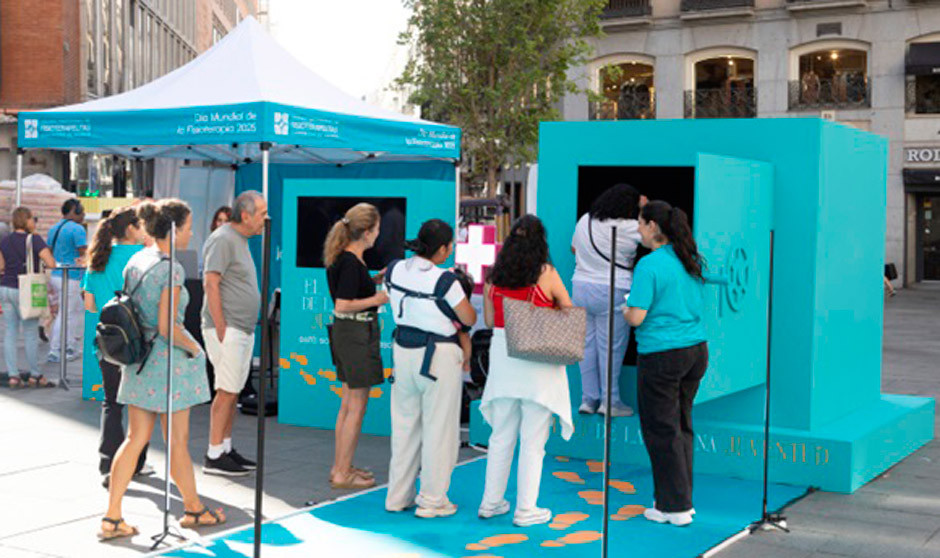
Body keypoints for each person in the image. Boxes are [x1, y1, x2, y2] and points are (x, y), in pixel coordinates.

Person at [99, 199, 223, 540]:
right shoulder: (172, 268)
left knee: (134, 438)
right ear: (173, 228)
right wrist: (196, 348)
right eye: (187, 226)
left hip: (139, 363)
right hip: (167, 364)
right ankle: (194, 510)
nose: (191, 232)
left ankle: (112, 518)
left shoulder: (137, 260)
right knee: (177, 442)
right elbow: (169, 326)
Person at [478, 215, 575, 527]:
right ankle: (526, 509)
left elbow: (491, 322)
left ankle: (491, 502)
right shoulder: (545, 273)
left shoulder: (494, 277)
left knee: (500, 436)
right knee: (533, 441)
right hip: (538, 365)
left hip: (503, 359)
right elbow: (568, 310)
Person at [622, 200, 708, 528]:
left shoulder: (649, 265)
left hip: (662, 355)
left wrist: (625, 309)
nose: (638, 230)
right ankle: (680, 499)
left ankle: (674, 507)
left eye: (641, 224)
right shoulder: (689, 259)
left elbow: (637, 316)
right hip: (695, 351)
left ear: (653, 227)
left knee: (661, 430)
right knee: (682, 426)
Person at [384, 219, 476, 518]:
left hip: (403, 352)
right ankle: (433, 501)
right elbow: (469, 317)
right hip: (438, 356)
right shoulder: (445, 281)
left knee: (404, 427)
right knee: (439, 429)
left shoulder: (396, 268)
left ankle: (397, 496)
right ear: (442, 248)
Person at [81, 207, 152, 487]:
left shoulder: (98, 258)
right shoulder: (142, 258)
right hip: (136, 343)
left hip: (106, 342)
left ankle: (108, 461)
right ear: (133, 229)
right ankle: (135, 463)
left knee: (111, 403)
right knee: (139, 405)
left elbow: (90, 306)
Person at [202, 191, 267, 476]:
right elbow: (210, 283)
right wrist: (220, 327)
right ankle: (214, 453)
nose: (266, 218)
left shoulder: (237, 239)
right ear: (246, 215)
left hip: (240, 328)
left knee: (233, 391)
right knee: (226, 392)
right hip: (228, 329)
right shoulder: (223, 239)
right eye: (262, 213)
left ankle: (225, 448)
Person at [324, 203, 389, 490]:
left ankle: (341, 467)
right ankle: (341, 472)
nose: (377, 235)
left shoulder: (344, 259)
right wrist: (379, 298)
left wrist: (373, 280)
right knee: (355, 407)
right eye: (376, 230)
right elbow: (343, 304)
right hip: (356, 334)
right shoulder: (351, 262)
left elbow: (348, 291)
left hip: (349, 334)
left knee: (348, 405)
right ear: (365, 232)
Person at [570, 184, 642, 416]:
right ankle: (610, 402)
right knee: (611, 347)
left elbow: (573, 248)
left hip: (580, 286)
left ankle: (588, 399)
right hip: (614, 288)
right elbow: (655, 231)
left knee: (587, 347)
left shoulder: (585, 220)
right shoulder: (632, 227)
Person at [0, 207, 57, 388]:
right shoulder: (34, 240)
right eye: (34, 218)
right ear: (27, 220)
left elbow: (1, 265)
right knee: (31, 333)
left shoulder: (5, 240)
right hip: (26, 290)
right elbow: (51, 263)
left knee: (10, 332)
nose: (35, 222)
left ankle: (13, 375)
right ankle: (35, 374)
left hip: (5, 288)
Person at [47, 198, 88, 363]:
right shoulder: (77, 229)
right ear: (74, 211)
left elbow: (48, 251)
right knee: (67, 314)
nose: (84, 214)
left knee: (73, 311)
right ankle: (57, 349)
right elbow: (83, 253)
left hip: (56, 274)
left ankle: (71, 344)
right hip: (71, 276)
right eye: (82, 211)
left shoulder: (54, 228)